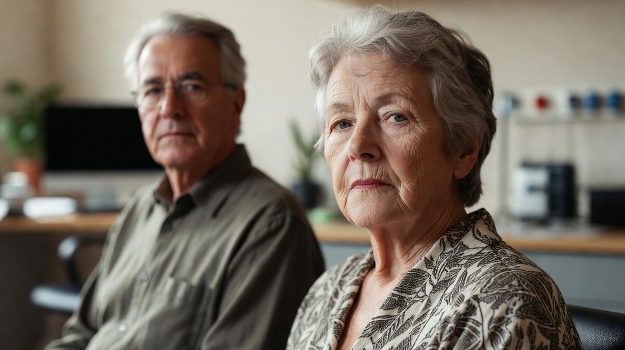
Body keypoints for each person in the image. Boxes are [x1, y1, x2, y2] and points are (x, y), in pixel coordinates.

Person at [286, 6, 581, 350]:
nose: (358, 146)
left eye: (395, 117)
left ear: (463, 150)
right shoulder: (327, 290)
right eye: (342, 123)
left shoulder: (502, 300)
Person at [47, 13, 325, 350]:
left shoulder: (271, 224)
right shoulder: (139, 209)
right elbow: (81, 334)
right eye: (152, 89)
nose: (169, 108)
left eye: (192, 87)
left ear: (236, 104)